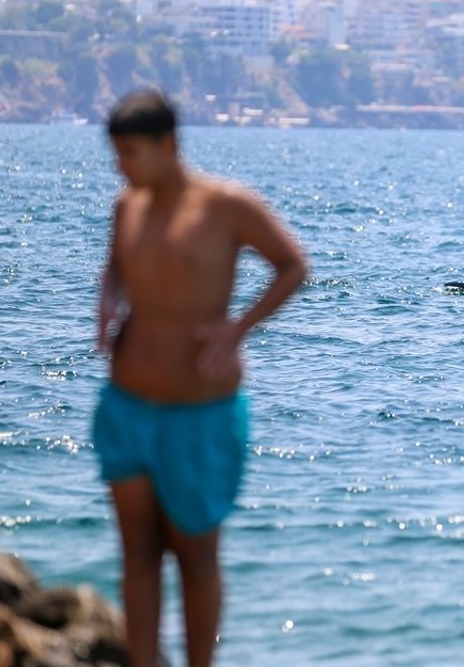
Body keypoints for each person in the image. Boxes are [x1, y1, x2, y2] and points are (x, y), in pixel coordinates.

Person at [93, 90, 307, 667]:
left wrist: (238, 329)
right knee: (137, 553)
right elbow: (117, 266)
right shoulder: (126, 206)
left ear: (169, 144)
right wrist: (107, 301)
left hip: (201, 411)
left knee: (194, 557)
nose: (122, 167)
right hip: (126, 405)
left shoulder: (226, 205)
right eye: (116, 155)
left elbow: (293, 266)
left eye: (131, 153)